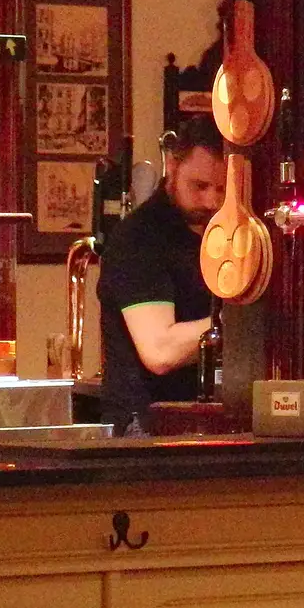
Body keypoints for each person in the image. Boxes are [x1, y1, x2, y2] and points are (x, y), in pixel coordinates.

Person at [98, 116, 226, 433]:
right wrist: (243, 323)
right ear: (172, 164)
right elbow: (160, 351)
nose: (211, 200)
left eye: (222, 188)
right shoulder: (139, 238)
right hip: (146, 427)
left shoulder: (228, 233)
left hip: (212, 418)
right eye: (199, 186)